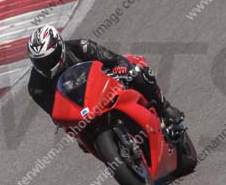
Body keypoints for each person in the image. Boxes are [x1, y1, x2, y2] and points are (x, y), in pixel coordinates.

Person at [27, 25, 183, 129]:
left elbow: (116, 59)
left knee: (136, 71)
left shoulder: (82, 47)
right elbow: (56, 114)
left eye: (48, 59)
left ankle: (165, 109)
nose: (45, 65)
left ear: (60, 48)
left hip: (107, 86)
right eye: (39, 62)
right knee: (78, 136)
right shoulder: (36, 87)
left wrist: (121, 67)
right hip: (82, 110)